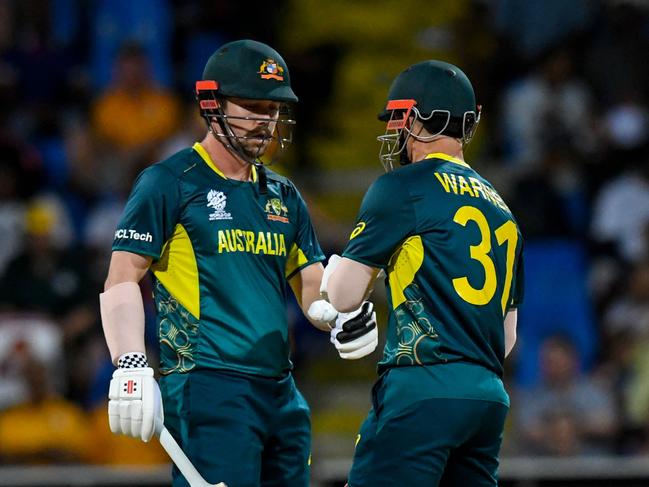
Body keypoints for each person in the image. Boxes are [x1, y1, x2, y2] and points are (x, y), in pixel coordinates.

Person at [99, 39, 372, 487]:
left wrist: (337, 315)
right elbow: (122, 277)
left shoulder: (284, 195)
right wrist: (130, 362)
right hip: (207, 384)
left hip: (281, 388)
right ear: (211, 104)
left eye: (273, 109)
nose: (266, 122)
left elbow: (311, 285)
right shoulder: (170, 181)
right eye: (252, 107)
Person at [321, 60, 525, 486]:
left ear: (414, 119)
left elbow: (342, 297)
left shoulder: (404, 187)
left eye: (399, 121)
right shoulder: (503, 210)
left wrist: (339, 268)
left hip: (423, 386)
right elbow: (506, 340)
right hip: (487, 395)